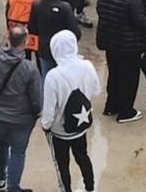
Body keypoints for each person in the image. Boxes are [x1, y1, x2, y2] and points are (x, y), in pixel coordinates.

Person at [41, 30, 101, 192]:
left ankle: (66, 190)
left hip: (60, 131)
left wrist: (45, 125)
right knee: (83, 157)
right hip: (81, 127)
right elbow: (96, 90)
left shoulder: (53, 76)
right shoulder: (87, 66)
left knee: (62, 164)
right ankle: (90, 188)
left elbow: (49, 108)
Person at [96, 0, 146, 123]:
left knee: (113, 75)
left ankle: (111, 106)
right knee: (129, 78)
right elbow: (140, 22)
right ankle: (126, 111)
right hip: (129, 45)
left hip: (109, 41)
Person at [0, 26, 42, 192]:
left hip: (0, 117)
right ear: (25, 43)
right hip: (21, 120)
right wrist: (37, 113)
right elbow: (36, 99)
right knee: (18, 153)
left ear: (8, 40)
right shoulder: (29, 69)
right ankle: (13, 187)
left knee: (1, 147)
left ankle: (0, 179)